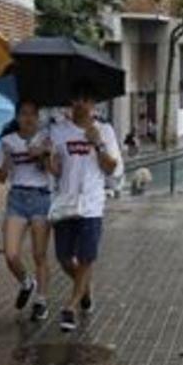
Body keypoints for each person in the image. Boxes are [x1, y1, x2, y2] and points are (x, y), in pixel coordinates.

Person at [47, 80, 122, 333]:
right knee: (64, 257)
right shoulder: (58, 131)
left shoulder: (105, 130)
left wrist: (98, 143)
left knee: (87, 256)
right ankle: (85, 289)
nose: (81, 104)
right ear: (71, 102)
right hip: (66, 202)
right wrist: (48, 158)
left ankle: (70, 306)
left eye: (86, 99)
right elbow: (56, 171)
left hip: (91, 205)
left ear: (93, 103)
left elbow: (112, 167)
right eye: (76, 98)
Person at [0, 100, 52, 322]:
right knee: (10, 254)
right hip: (17, 198)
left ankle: (41, 301)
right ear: (17, 116)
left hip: (40, 197)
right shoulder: (7, 141)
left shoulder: (46, 138)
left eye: (32, 114)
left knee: (39, 254)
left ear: (38, 117)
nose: (28, 118)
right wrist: (6, 163)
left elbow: (52, 171)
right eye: (23, 114)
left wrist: (42, 155)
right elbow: (0, 179)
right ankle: (26, 282)